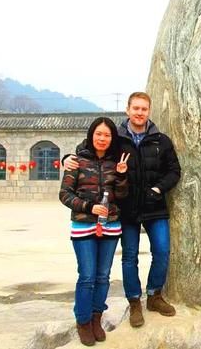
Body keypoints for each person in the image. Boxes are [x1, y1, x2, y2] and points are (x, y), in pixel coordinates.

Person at [63, 92, 181, 328]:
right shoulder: (116, 139)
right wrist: (67, 157)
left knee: (162, 251)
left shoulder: (161, 140)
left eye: (144, 109)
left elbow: (174, 170)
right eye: (135, 108)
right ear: (128, 110)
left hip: (155, 206)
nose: (139, 112)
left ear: (149, 111)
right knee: (129, 257)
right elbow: (89, 149)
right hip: (126, 209)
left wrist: (158, 189)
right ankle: (134, 301)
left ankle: (154, 294)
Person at [59, 117, 129, 346]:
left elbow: (122, 195)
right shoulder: (76, 161)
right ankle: (83, 321)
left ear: (112, 138)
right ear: (91, 135)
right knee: (87, 276)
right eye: (98, 134)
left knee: (103, 276)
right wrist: (89, 207)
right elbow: (65, 194)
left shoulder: (115, 162)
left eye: (107, 135)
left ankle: (97, 317)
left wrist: (121, 175)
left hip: (110, 226)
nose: (102, 138)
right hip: (83, 226)